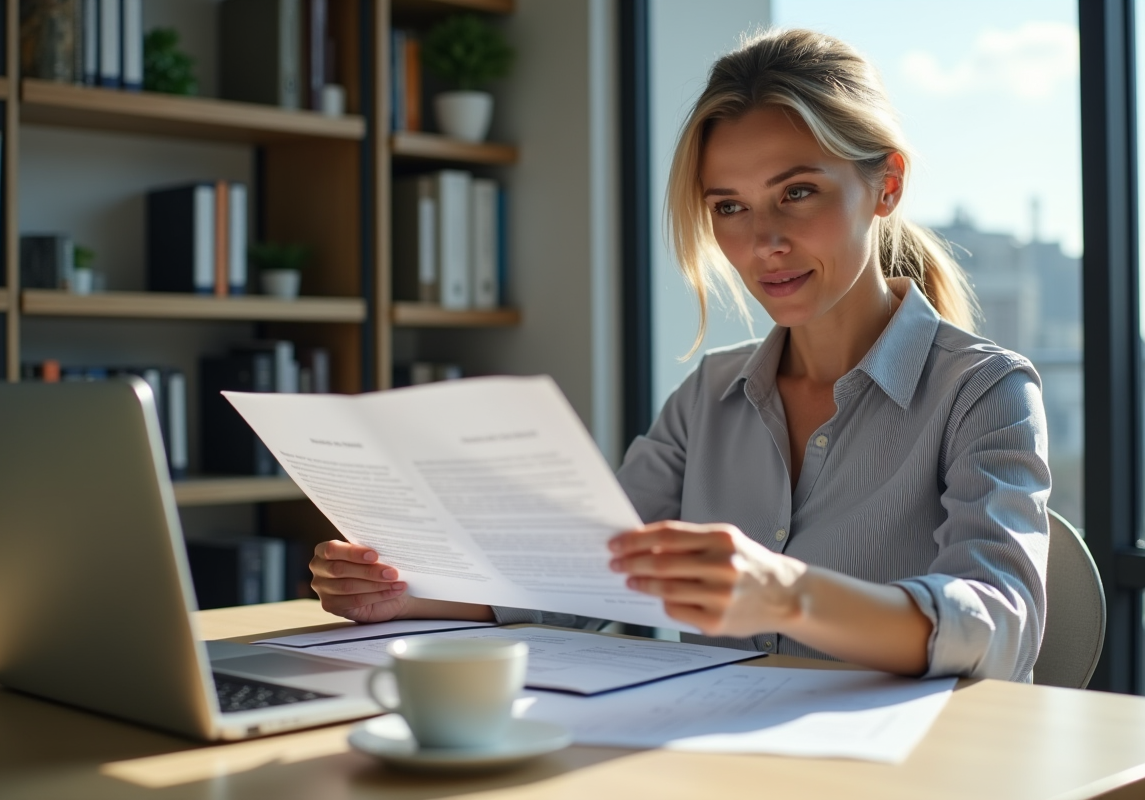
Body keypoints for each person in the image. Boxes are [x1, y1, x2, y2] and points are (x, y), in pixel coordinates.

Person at [309, 28, 1050, 682]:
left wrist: (787, 591)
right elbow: (585, 575)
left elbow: (999, 629)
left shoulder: (985, 391)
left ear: (885, 186)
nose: (762, 242)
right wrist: (408, 593)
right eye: (728, 206)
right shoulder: (710, 394)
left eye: (796, 192)